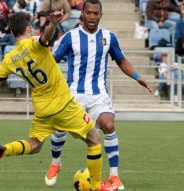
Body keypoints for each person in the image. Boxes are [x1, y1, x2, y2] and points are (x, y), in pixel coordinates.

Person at [0, 11, 117, 191]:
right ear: (28, 29)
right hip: (63, 104)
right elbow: (44, 38)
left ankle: (6, 149)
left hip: (42, 111)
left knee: (34, 145)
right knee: (94, 139)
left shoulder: (9, 59)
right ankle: (97, 186)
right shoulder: (34, 43)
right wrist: (53, 24)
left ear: (12, 33)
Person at [44, 0, 152, 190]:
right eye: (89, 13)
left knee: (108, 125)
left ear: (101, 15)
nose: (92, 17)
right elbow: (52, 61)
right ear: (82, 14)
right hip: (73, 94)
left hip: (98, 94)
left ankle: (114, 176)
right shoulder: (70, 37)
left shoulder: (109, 37)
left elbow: (121, 60)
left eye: (96, 13)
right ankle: (56, 163)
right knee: (60, 129)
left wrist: (137, 77)